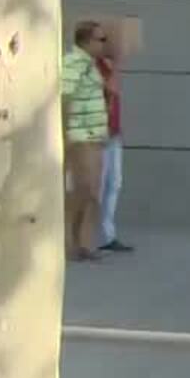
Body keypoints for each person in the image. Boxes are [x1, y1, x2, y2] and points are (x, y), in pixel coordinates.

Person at [61, 21, 112, 263]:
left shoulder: (92, 65)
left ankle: (85, 243)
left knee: (93, 192)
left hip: (96, 136)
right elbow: (65, 97)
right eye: (100, 40)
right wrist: (65, 133)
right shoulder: (73, 62)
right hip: (81, 137)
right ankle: (69, 241)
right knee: (84, 189)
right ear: (86, 41)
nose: (104, 45)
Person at [96, 34, 133, 253]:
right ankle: (90, 236)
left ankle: (107, 235)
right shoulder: (95, 67)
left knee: (114, 183)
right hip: (99, 134)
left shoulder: (109, 67)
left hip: (113, 134)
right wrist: (116, 67)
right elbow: (110, 90)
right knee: (98, 185)